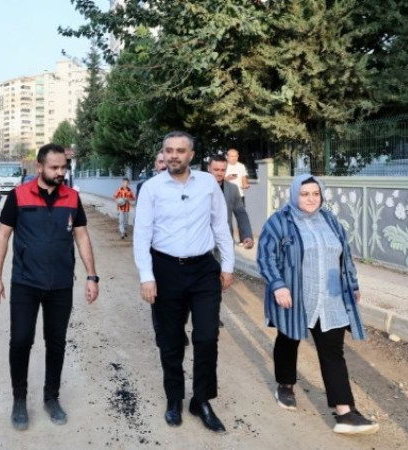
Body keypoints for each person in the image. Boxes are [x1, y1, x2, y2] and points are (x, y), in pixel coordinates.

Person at [0, 143, 99, 431]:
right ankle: (19, 400)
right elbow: (3, 237)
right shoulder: (18, 196)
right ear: (39, 167)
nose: (60, 172)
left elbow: (82, 237)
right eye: (54, 168)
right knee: (21, 341)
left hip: (61, 285)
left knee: (57, 342)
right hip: (26, 283)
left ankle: (51, 398)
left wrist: (91, 276)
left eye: (63, 167)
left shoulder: (72, 198)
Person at [257, 174, 379, 435]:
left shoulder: (330, 220)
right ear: (294, 195)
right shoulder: (280, 222)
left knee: (332, 352)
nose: (311, 199)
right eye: (304, 194)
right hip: (296, 297)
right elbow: (266, 257)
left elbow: (345, 256)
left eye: (315, 193)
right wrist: (278, 285)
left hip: (331, 299)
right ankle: (286, 384)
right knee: (289, 340)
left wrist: (353, 285)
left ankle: (345, 412)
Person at [133, 131, 233, 433]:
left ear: (191, 155)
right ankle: (174, 399)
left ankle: (201, 400)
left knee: (206, 337)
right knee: (171, 340)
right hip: (165, 270)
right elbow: (142, 235)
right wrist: (147, 277)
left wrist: (227, 265)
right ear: (163, 153)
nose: (174, 155)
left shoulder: (207, 184)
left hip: (203, 270)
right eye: (168, 150)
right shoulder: (152, 188)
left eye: (180, 150)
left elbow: (220, 224)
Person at [207, 155, 254, 249]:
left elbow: (241, 214)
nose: (219, 173)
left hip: (225, 242)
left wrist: (247, 235)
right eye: (216, 170)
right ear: (209, 168)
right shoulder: (197, 188)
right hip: (201, 242)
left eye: (222, 170)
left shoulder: (233, 189)